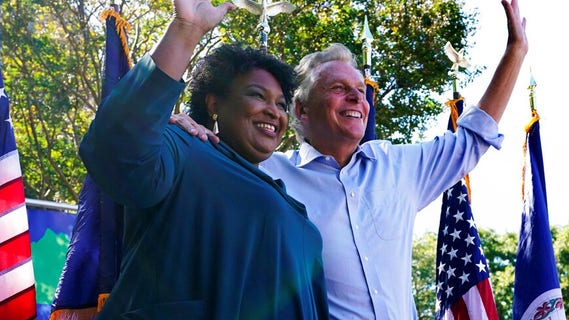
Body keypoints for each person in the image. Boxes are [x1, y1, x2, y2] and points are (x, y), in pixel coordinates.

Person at [172, 0, 528, 318]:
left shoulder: (400, 166)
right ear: (301, 109)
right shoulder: (264, 172)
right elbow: (201, 161)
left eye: (360, 91)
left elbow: (473, 136)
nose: (357, 99)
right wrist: (188, 126)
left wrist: (515, 50)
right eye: (339, 89)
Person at [78, 0, 330, 318]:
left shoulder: (295, 211)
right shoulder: (184, 145)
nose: (274, 112)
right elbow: (117, 150)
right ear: (213, 104)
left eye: (281, 104)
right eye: (257, 95)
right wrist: (187, 30)